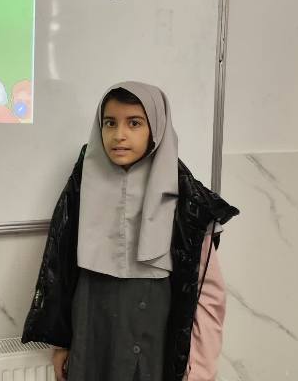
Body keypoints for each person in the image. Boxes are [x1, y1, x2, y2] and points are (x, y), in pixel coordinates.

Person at [21, 81, 239, 381]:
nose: (118, 135)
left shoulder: (185, 197)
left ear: (156, 129)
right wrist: (62, 342)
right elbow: (63, 268)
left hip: (154, 339)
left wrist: (201, 368)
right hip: (91, 331)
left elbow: (207, 292)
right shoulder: (83, 185)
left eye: (134, 123)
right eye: (110, 123)